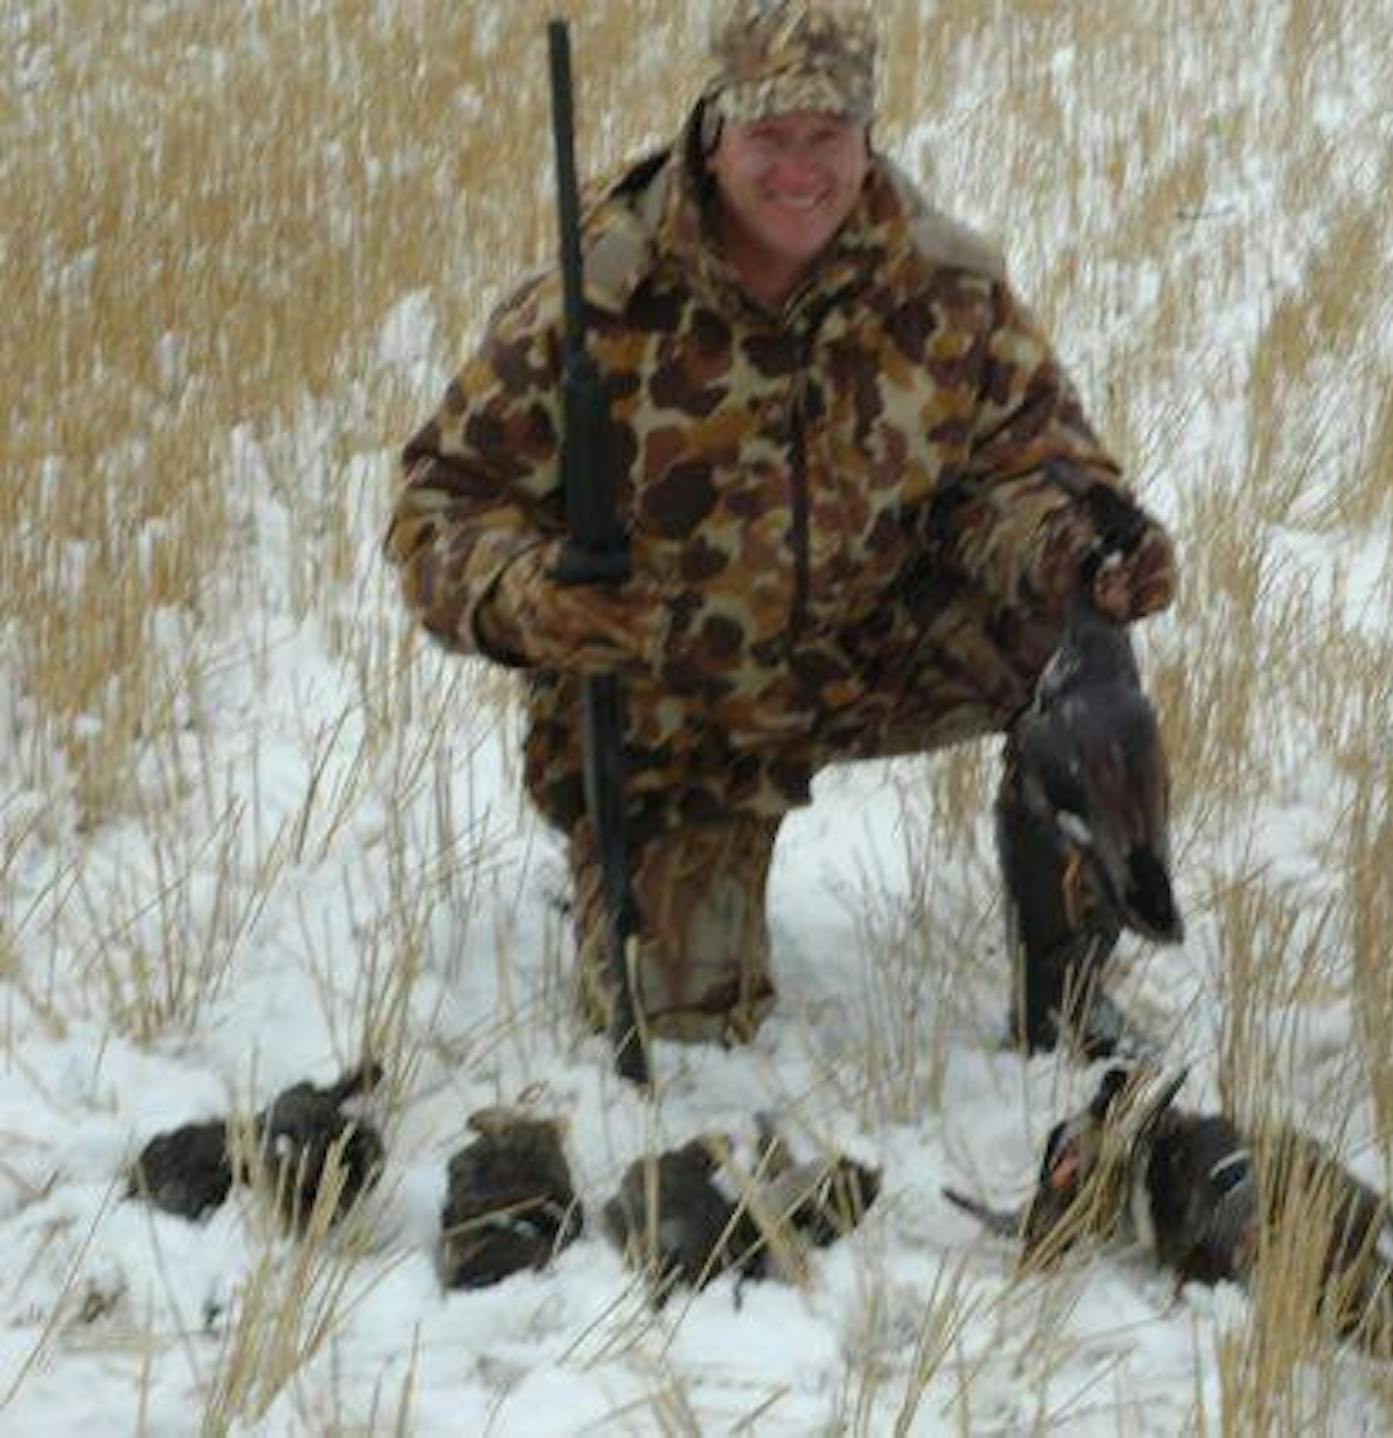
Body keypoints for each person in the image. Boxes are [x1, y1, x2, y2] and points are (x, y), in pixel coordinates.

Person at [386, 0, 1175, 1052]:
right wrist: (534, 595)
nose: (801, 169)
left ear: (866, 136)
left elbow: (1021, 471)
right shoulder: (598, 301)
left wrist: (1083, 548)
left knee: (1077, 657)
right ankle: (616, 886)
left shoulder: (945, 289)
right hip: (681, 708)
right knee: (680, 1028)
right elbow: (439, 504)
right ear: (715, 138)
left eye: (827, 137)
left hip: (868, 648)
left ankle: (1068, 998)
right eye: (770, 137)